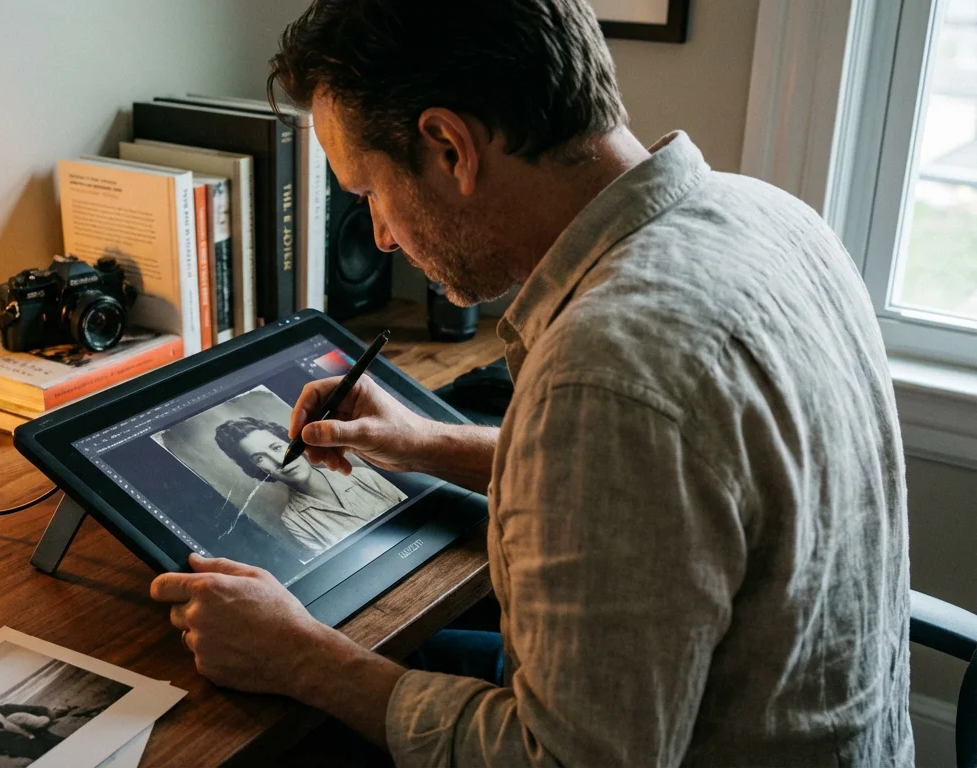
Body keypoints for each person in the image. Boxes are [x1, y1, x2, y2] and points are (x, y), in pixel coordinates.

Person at [149, 0, 911, 765]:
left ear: (450, 147)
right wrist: (425, 444)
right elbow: (676, 495)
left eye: (369, 193)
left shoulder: (604, 372)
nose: (378, 234)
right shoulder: (771, 215)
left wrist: (301, 658)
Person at [213, 416, 406, 555]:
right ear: (255, 469)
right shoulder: (294, 522)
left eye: (277, 447)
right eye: (260, 458)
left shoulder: (365, 477)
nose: (282, 461)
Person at [0, 698, 94, 760]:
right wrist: (11, 750)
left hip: (37, 738)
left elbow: (33, 709)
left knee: (71, 753)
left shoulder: (0, 709)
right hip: (29, 746)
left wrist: (45, 719)